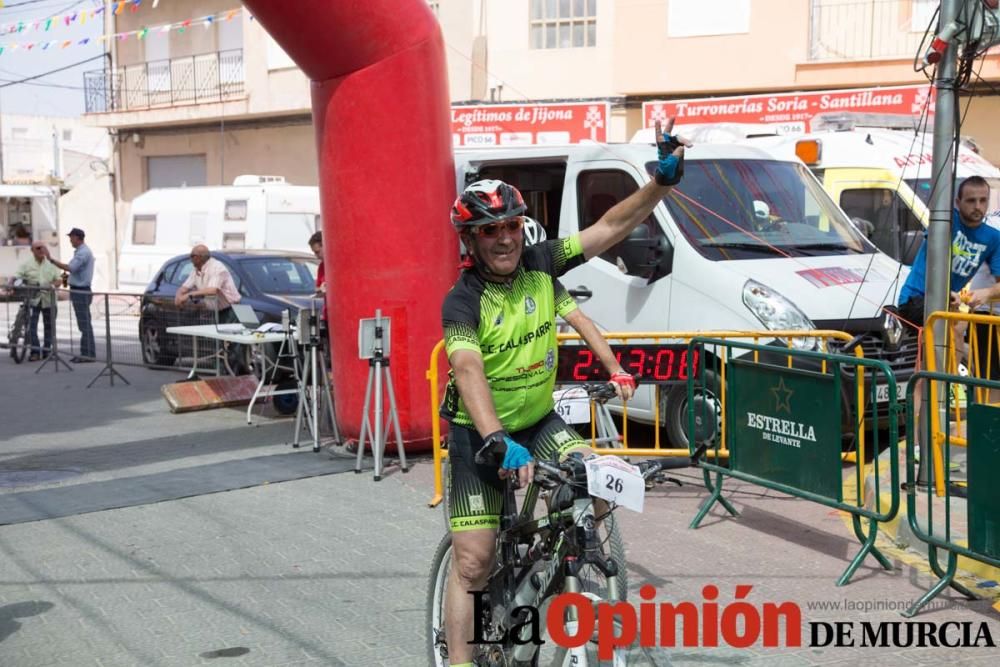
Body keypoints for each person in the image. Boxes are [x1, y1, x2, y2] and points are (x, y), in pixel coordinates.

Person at [439, 119, 688, 666]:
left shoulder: (541, 264)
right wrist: (496, 438)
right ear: (470, 241)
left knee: (595, 482)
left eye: (511, 225)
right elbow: (466, 368)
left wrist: (660, 185)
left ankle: (556, 579)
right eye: (489, 230)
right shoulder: (463, 300)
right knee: (475, 563)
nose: (504, 237)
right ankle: (459, 660)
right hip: (480, 436)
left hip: (539, 422)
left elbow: (608, 228)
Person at [45, 228, 96, 363]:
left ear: (78, 238)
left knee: (84, 324)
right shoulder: (81, 252)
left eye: (71, 238)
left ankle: (87, 354)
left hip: (81, 291)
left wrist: (52, 260)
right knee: (84, 323)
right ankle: (87, 352)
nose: (70, 240)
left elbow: (71, 268)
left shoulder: (83, 253)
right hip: (80, 290)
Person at [14, 241, 63, 361]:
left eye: (43, 248)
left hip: (49, 300)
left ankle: (47, 351)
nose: (41, 250)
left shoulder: (51, 264)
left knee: (49, 327)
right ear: (32, 250)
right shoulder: (26, 264)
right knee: (31, 327)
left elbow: (60, 279)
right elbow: (17, 276)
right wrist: (17, 283)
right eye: (38, 248)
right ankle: (35, 352)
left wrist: (52, 285)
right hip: (33, 300)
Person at [173, 245, 241, 322]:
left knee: (225, 333)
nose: (190, 259)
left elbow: (212, 290)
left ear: (198, 257)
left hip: (230, 311)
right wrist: (178, 297)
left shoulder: (216, 267)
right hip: (214, 312)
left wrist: (188, 295)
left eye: (191, 256)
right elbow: (184, 288)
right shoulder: (196, 270)